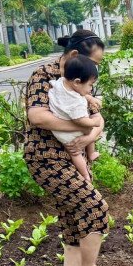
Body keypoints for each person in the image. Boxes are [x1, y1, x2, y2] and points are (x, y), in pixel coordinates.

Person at [23, 30, 116, 266]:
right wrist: (82, 127)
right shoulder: (45, 76)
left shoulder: (82, 80)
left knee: (73, 216)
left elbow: (97, 118)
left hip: (73, 155)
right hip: (46, 157)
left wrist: (88, 136)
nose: (95, 71)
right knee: (95, 208)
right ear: (75, 55)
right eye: (95, 63)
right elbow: (38, 117)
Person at [47, 54, 101, 183]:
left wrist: (90, 98)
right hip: (69, 134)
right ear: (77, 82)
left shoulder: (62, 83)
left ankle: (88, 165)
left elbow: (79, 93)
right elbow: (79, 120)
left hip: (59, 131)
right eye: (90, 85)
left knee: (89, 131)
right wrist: (94, 122)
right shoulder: (75, 102)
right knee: (76, 151)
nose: (91, 88)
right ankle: (86, 174)